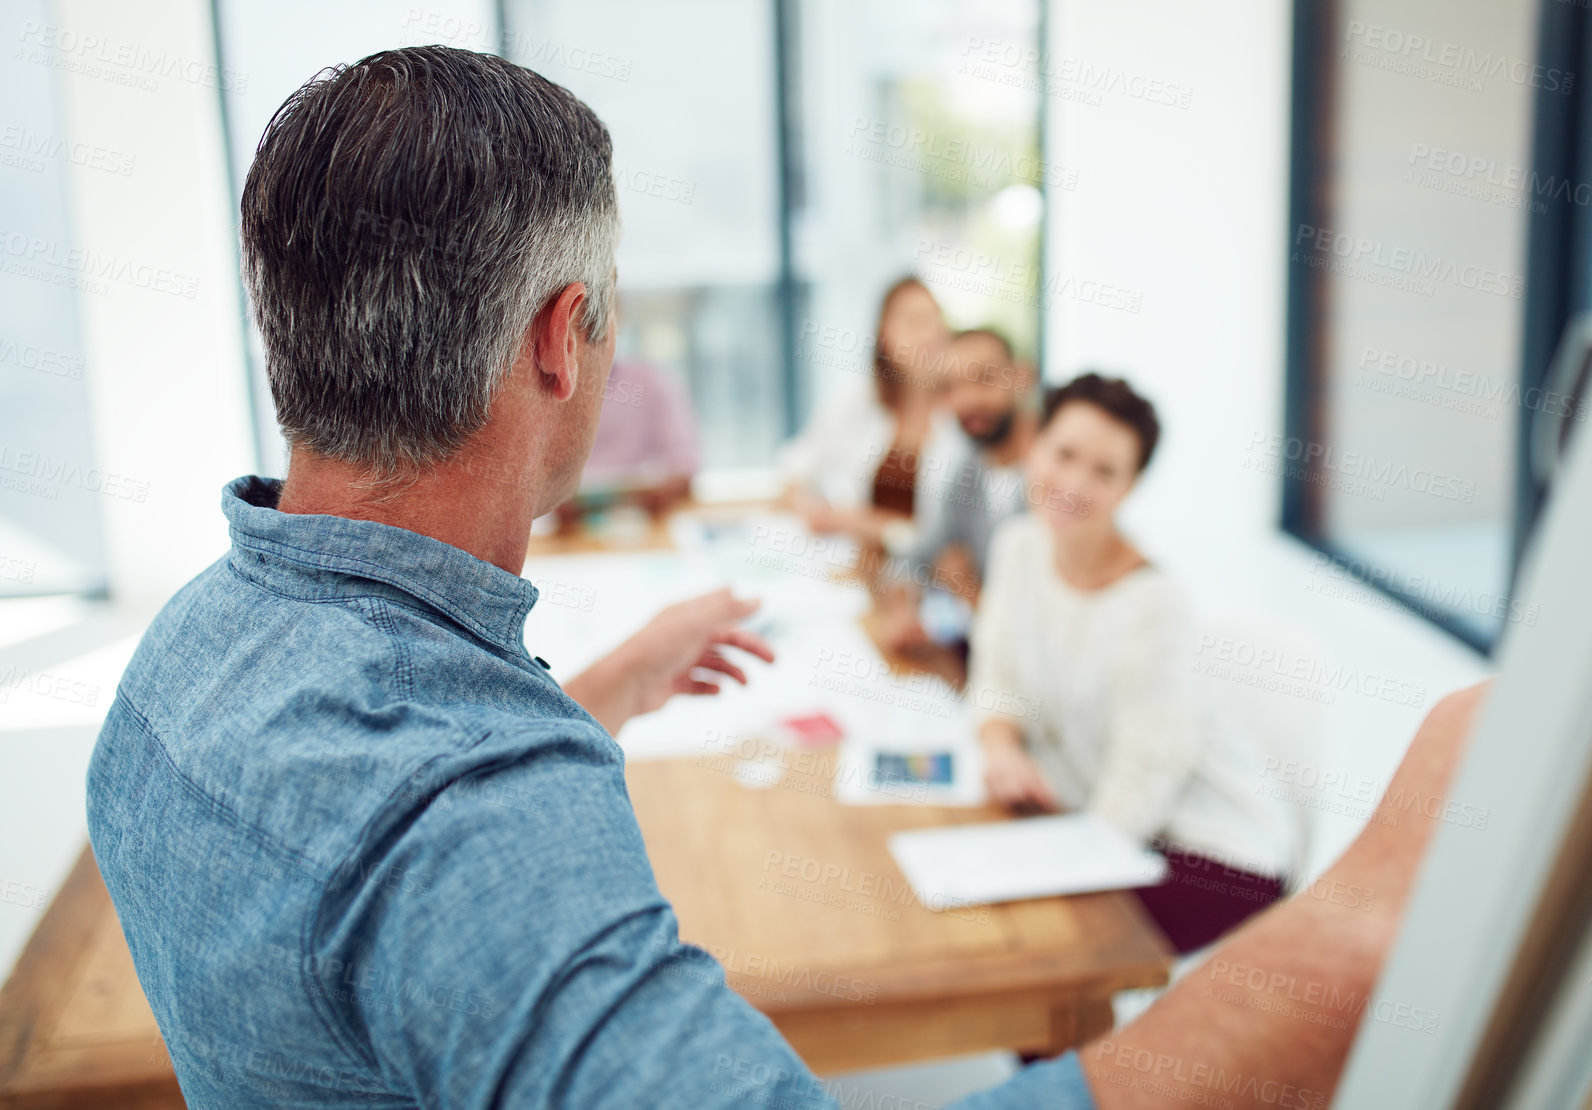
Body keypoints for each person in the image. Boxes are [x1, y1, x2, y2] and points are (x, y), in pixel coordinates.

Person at [86, 46, 1489, 1109]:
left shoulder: (183, 659)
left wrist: (599, 697)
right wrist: (1364, 926)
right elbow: (443, 855)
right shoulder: (471, 820)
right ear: (564, 340)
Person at [969, 373, 1291, 954]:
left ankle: (1063, 1046)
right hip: (1100, 822)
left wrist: (1059, 863)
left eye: (1105, 472)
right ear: (1034, 445)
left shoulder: (1155, 605)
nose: (1072, 483)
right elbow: (997, 679)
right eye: (1063, 454)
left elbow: (1139, 789)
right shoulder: (1018, 546)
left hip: (1207, 857)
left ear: (1131, 486)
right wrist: (1001, 747)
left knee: (1038, 945)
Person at [870, 327, 1037, 668]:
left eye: (983, 379)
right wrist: (904, 608)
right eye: (952, 387)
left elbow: (1041, 633)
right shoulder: (967, 467)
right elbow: (915, 557)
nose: (966, 401)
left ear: (1021, 377)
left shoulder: (1056, 482)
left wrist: (971, 594)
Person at [779, 276, 956, 549]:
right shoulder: (859, 399)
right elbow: (795, 469)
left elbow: (938, 535)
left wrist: (857, 522)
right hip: (858, 569)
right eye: (913, 322)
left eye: (934, 320)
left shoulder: (959, 415)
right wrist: (814, 511)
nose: (928, 334)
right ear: (884, 335)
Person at [563, 355, 700, 518]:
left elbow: (684, 465)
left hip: (642, 523)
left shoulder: (653, 383)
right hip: (563, 527)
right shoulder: (546, 388)